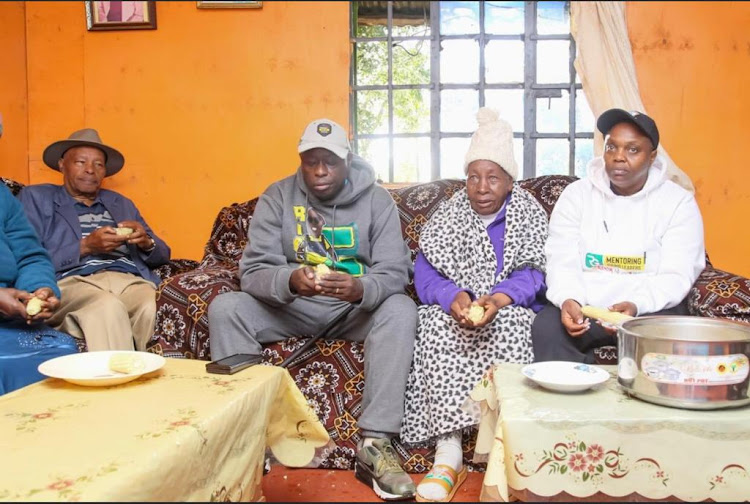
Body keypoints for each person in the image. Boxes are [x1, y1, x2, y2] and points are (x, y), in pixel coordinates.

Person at [208, 118, 417, 501]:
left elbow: (396, 271)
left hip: (353, 311)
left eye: (330, 162)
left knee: (401, 309)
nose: (320, 171)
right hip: (294, 307)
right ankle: (245, 440)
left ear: (347, 160)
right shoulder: (277, 196)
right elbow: (251, 272)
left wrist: (361, 288)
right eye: (311, 161)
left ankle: (375, 445)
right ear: (301, 160)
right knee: (226, 308)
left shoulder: (377, 201)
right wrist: (289, 280)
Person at [400, 108, 548, 502]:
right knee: (431, 323)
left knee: (519, 325)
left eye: (493, 177)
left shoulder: (528, 213)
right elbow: (426, 275)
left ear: (509, 181)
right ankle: (448, 453)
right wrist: (454, 298)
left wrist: (498, 299)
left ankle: (504, 451)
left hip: (506, 306)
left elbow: (536, 274)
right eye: (473, 177)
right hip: (457, 308)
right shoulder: (447, 214)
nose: (482, 187)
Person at [532, 108, 705, 363]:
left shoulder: (678, 203)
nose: (618, 157)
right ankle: (568, 402)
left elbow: (678, 273)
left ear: (652, 156)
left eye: (633, 149)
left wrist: (637, 304)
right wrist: (569, 297)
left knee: (670, 333)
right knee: (547, 327)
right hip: (585, 305)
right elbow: (560, 258)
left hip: (647, 309)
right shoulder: (576, 195)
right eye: (611, 147)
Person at [18, 128, 171, 352]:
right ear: (62, 164)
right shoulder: (36, 198)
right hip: (73, 282)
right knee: (107, 307)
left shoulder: (121, 203)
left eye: (99, 164)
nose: (90, 170)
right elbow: (25, 257)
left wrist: (146, 241)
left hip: (129, 281)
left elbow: (163, 255)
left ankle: (161, 383)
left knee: (154, 305)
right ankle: (117, 384)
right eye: (81, 162)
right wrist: (85, 246)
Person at [0, 115, 78, 395]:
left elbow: (31, 254)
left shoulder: (3, 196)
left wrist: (40, 289)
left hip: (8, 317)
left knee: (60, 351)